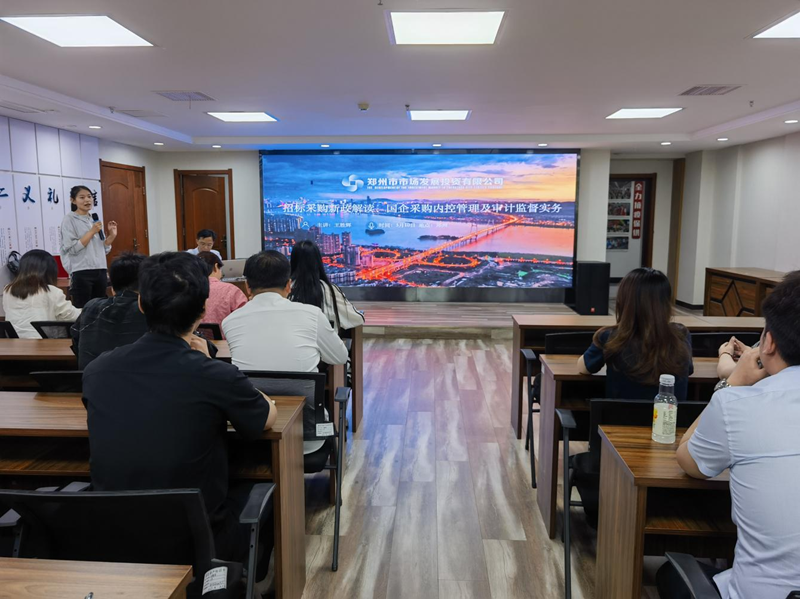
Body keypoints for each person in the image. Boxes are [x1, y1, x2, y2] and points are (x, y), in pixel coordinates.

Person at [84, 252, 277, 584]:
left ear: (141, 304)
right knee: (265, 492)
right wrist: (213, 365)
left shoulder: (97, 370)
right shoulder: (214, 374)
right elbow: (266, 418)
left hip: (113, 538)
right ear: (202, 311)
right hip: (197, 542)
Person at [666, 271, 800, 599]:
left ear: (769, 342)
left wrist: (733, 383)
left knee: (669, 575)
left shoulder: (737, 404)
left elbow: (689, 460)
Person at [222, 250, 348, 453]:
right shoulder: (311, 315)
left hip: (251, 437)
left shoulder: (230, 321)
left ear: (247, 286)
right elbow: (340, 356)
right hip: (307, 436)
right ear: (289, 285)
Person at [578, 267, 694, 400]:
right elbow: (689, 370)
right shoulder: (681, 335)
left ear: (623, 301)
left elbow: (584, 367)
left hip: (619, 414)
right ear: (666, 303)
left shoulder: (610, 336)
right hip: (668, 414)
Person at [71, 252, 148, 369]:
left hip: (91, 378)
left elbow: (77, 343)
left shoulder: (90, 307)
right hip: (138, 378)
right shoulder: (151, 311)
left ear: (112, 288)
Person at [2, 249, 81, 338]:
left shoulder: (7, 291)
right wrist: (86, 310)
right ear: (49, 271)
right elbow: (71, 316)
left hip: (14, 342)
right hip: (42, 342)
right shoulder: (52, 291)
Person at [60, 185, 117, 308]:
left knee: (100, 307)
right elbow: (72, 249)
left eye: (89, 196)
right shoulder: (69, 220)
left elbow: (104, 248)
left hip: (100, 269)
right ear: (73, 200)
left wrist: (112, 236)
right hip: (81, 270)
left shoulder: (93, 219)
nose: (87, 200)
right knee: (83, 308)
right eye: (82, 197)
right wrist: (91, 232)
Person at [289, 240, 364, 331]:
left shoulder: (284, 290)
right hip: (324, 340)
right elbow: (356, 318)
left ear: (292, 261)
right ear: (318, 261)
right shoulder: (329, 290)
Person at [195, 251, 248, 331]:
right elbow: (245, 319)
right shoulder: (231, 290)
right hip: (226, 338)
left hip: (194, 338)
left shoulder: (187, 290)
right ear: (216, 267)